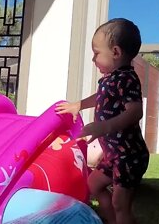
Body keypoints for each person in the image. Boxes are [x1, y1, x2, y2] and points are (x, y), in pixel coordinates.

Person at [56, 18, 149, 224]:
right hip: (113, 155)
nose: (93, 59)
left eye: (96, 53)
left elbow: (135, 112)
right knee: (94, 185)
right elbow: (100, 96)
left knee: (121, 203)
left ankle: (120, 219)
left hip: (128, 156)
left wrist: (104, 126)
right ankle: (112, 220)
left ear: (115, 52)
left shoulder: (127, 78)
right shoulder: (110, 78)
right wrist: (78, 104)